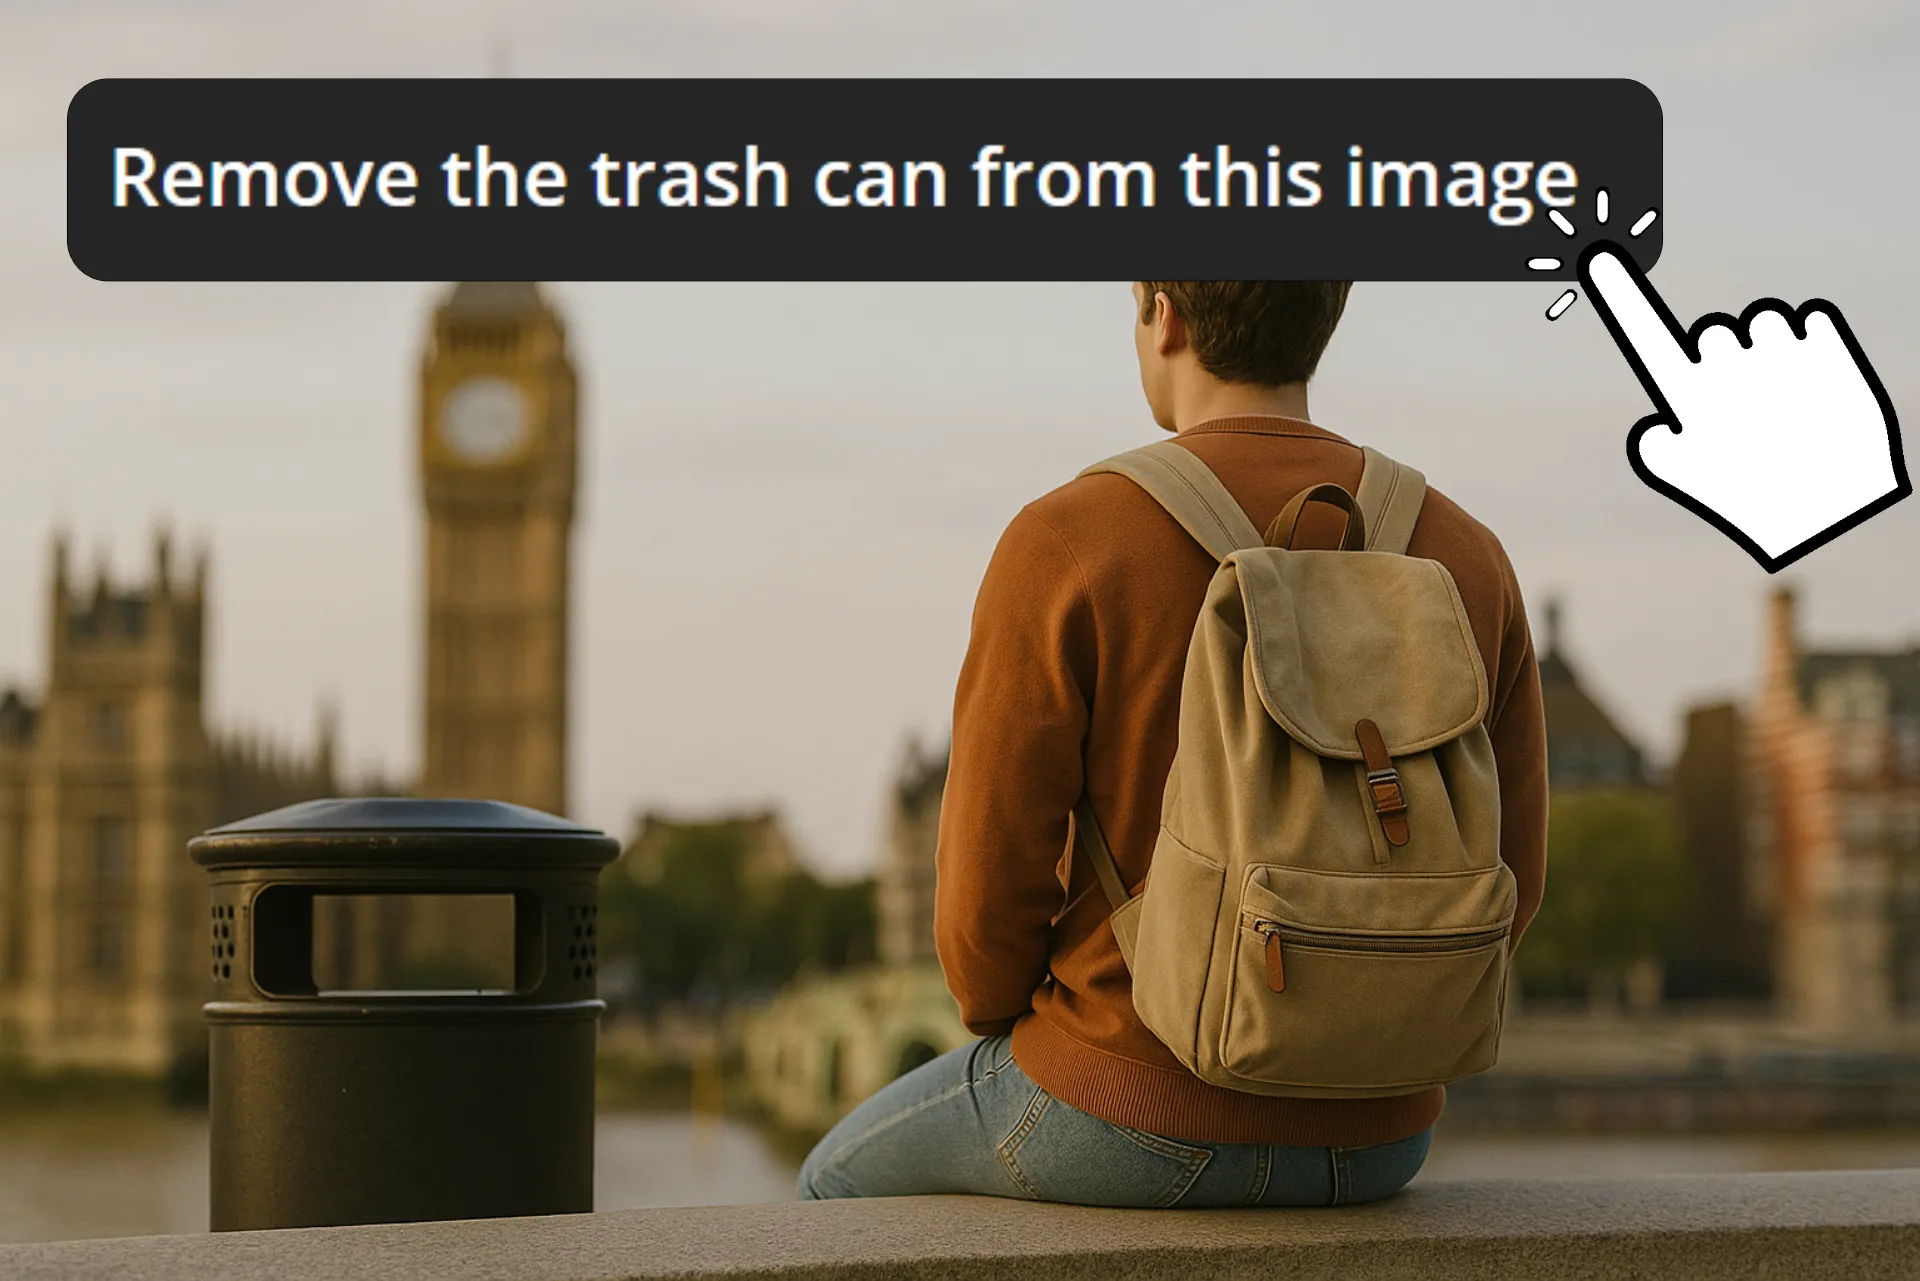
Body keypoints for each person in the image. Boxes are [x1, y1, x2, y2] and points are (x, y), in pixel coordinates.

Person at [797, 281, 1548, 1207]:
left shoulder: (1065, 539)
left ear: (1164, 311)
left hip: (1125, 1103)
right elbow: (1516, 876)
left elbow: (983, 907)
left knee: (831, 1183)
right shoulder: (1466, 553)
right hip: (1385, 1133)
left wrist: (1035, 1029)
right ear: (1329, 315)